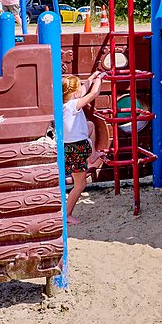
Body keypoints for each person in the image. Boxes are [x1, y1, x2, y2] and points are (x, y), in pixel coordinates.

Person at [61, 72, 106, 224]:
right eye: (79, 86)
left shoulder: (63, 104)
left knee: (90, 126)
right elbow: (93, 93)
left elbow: (84, 89)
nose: (82, 88)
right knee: (80, 185)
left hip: (73, 146)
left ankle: (92, 156)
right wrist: (99, 80)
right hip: (77, 150)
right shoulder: (73, 105)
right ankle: (67, 214)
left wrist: (91, 78)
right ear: (75, 93)